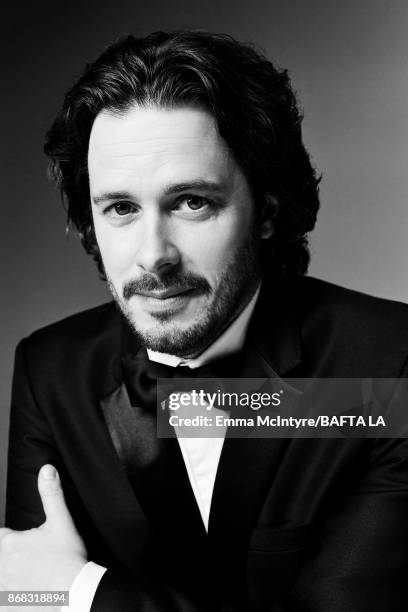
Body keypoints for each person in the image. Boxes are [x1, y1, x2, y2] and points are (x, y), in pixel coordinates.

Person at [2, 30, 408, 612]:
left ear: (266, 208)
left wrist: (85, 592)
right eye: (120, 208)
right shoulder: (49, 369)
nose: (153, 255)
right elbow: (23, 589)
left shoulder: (391, 368)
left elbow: (51, 591)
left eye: (192, 202)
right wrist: (45, 591)